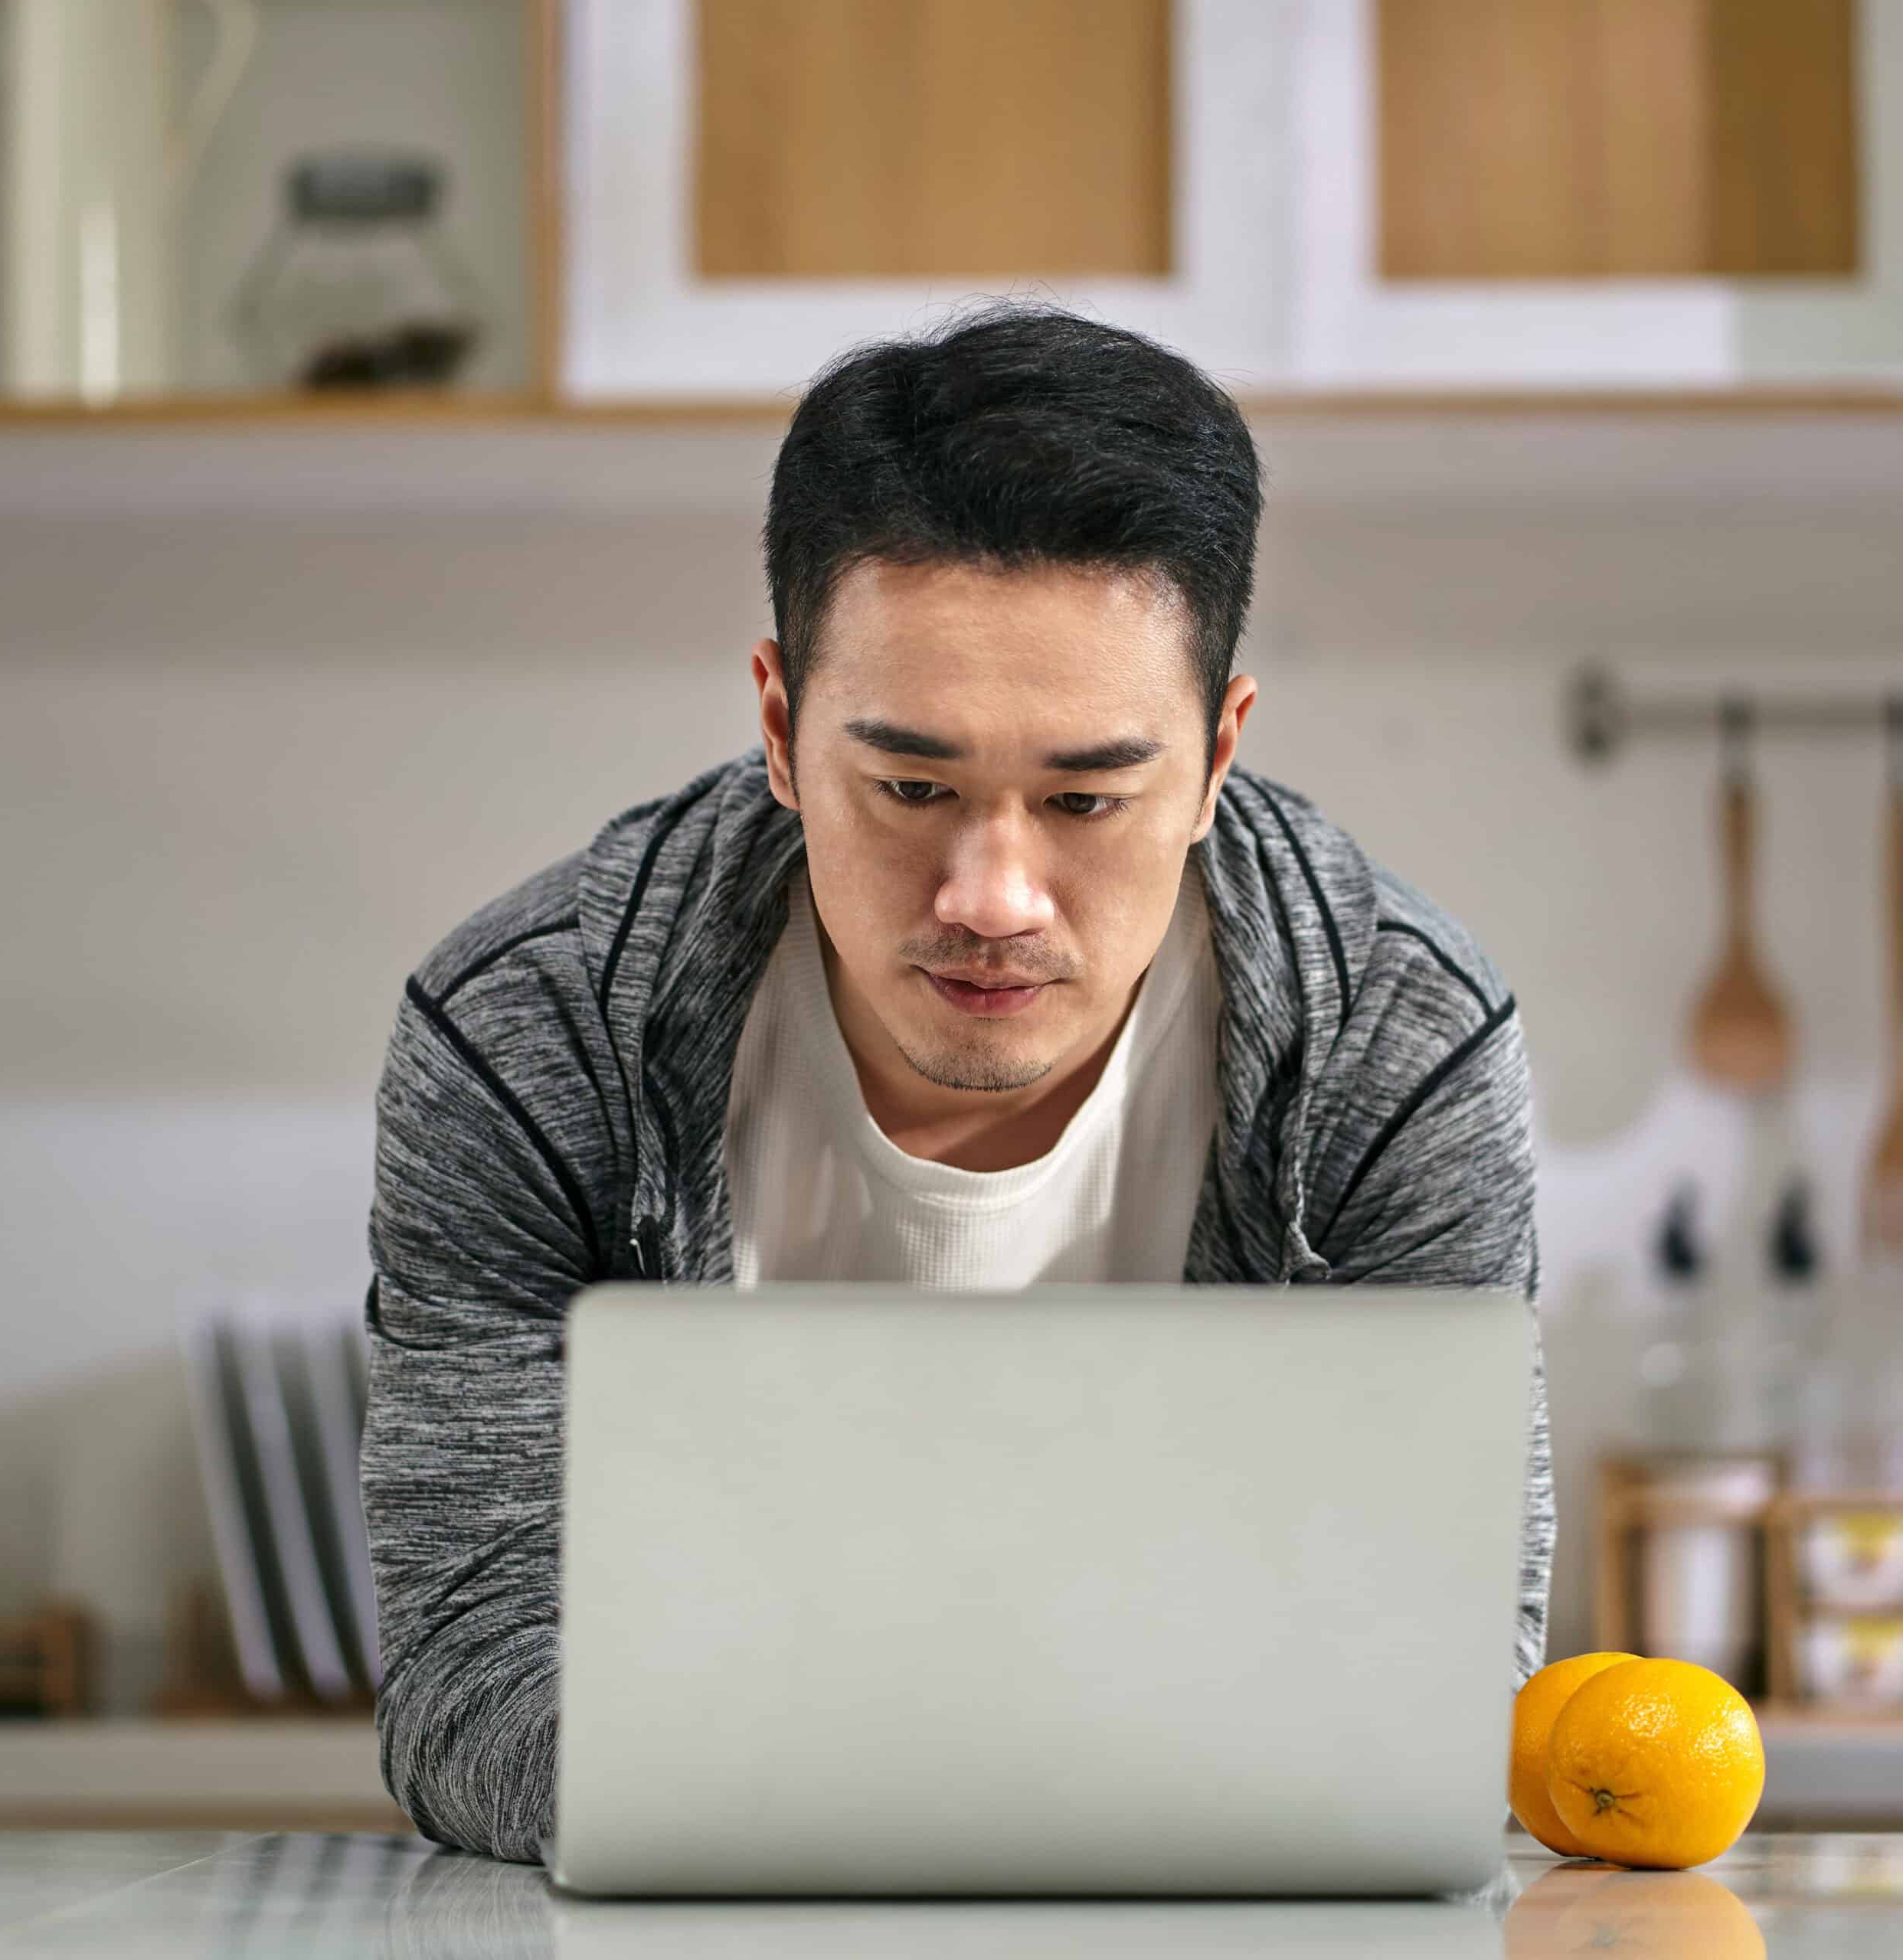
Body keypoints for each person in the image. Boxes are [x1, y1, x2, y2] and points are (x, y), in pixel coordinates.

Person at [361, 299, 1555, 1864]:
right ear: (781, 727)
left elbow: (1442, 1674)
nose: (991, 891)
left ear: (1215, 756)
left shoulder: (1395, 1048)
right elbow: (475, 1674)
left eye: (1084, 795)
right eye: (912, 785)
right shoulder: (532, 1039)